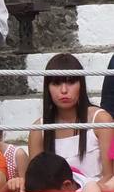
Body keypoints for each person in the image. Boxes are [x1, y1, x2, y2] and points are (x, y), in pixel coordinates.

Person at [20, 54, 114, 184]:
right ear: (47, 87)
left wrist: (88, 191)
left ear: (81, 84)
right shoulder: (38, 130)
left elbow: (109, 176)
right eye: (56, 83)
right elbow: (37, 182)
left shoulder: (101, 120)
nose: (64, 90)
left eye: (71, 82)